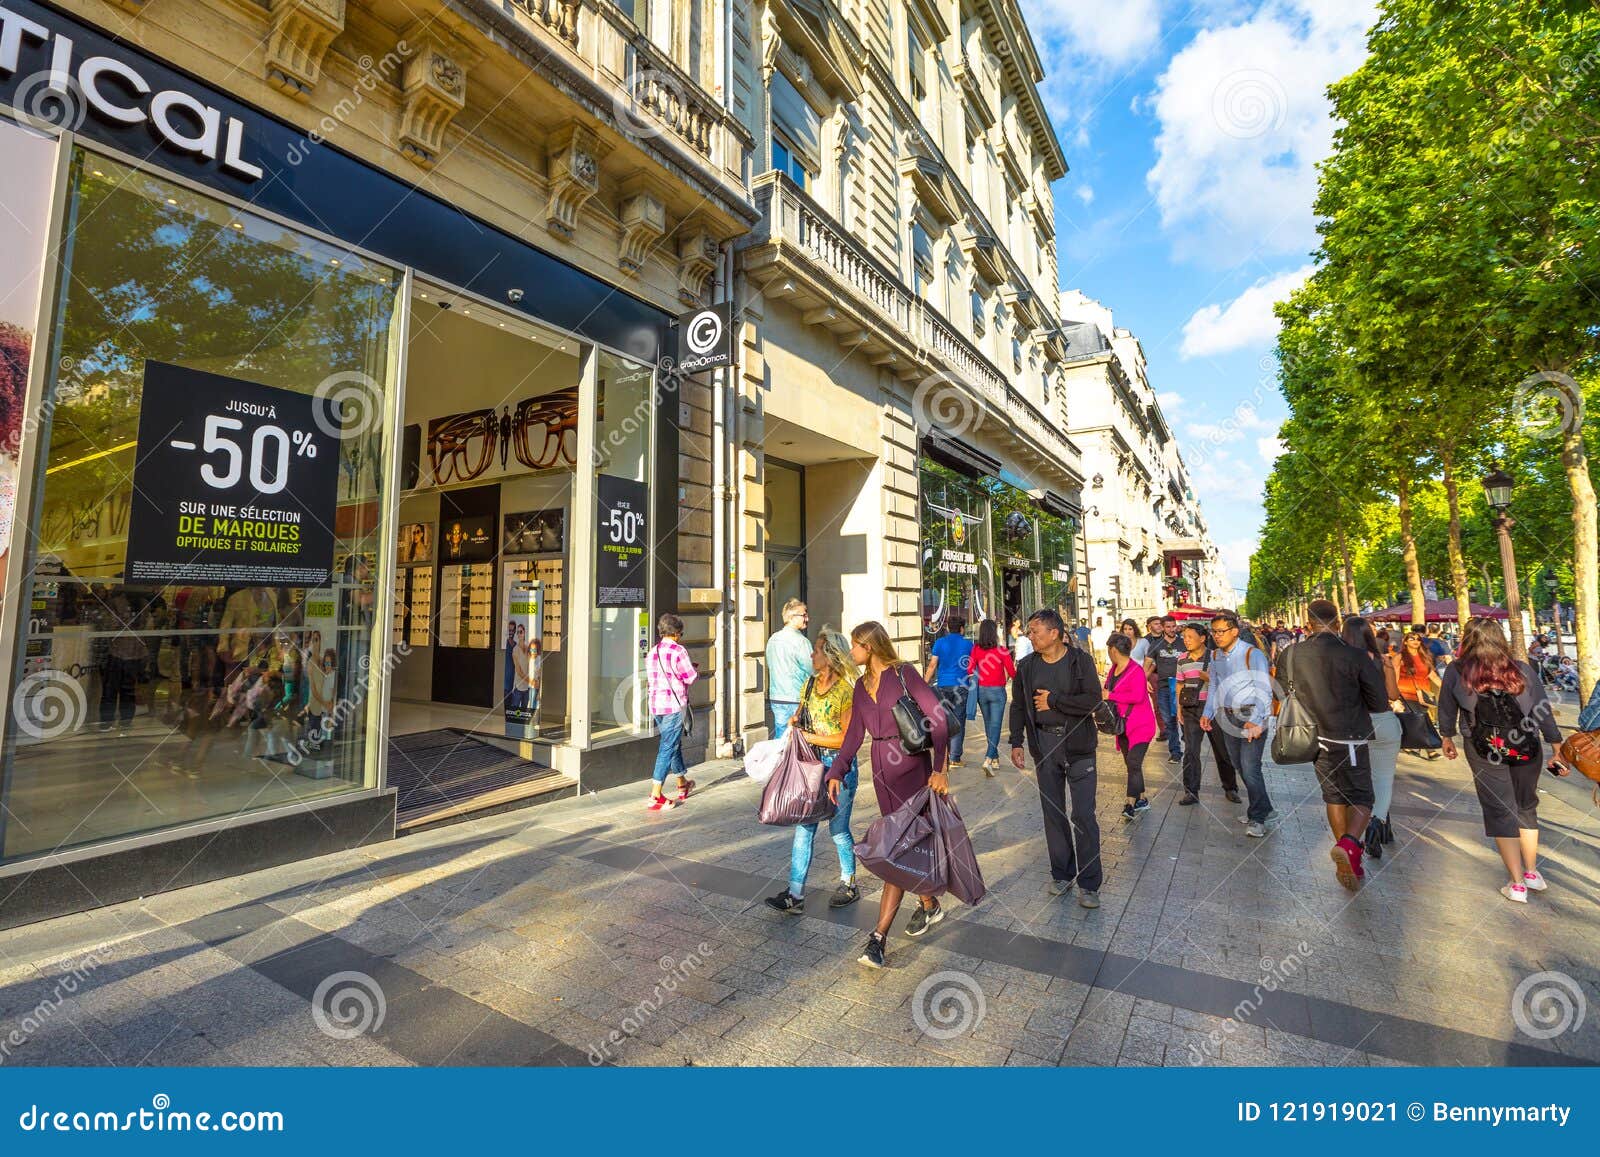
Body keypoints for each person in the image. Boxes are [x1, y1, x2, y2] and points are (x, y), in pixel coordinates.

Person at [827, 622, 949, 967]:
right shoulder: (861, 687)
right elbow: (853, 735)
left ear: (870, 646)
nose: (851, 652)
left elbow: (937, 720)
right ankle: (929, 904)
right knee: (902, 846)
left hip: (913, 768)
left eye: (855, 645)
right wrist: (837, 770)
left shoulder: (904, 674)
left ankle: (877, 939)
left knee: (895, 851)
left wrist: (941, 768)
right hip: (882, 772)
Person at [1437, 617, 1569, 903]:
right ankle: (1532, 872)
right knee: (1526, 806)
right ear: (1500, 638)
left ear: (1467, 639)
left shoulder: (1457, 671)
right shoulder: (1522, 669)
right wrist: (1557, 747)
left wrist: (1446, 737)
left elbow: (1446, 707)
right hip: (1526, 747)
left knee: (1500, 810)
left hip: (1483, 749)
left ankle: (1517, 883)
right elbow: (1543, 709)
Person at [1278, 601, 1388, 889]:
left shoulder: (1290, 654)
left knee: (1334, 796)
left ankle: (1348, 862)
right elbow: (1379, 701)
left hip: (1313, 736)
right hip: (1348, 734)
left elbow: (1283, 692)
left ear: (1307, 621)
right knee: (1363, 797)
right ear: (1337, 621)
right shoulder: (1354, 655)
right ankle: (1350, 845)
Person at [1009, 608, 1104, 908]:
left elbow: (1093, 700)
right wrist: (1016, 741)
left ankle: (1089, 884)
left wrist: (1054, 700)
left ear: (1055, 633)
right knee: (1053, 812)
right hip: (1044, 743)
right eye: (1029, 631)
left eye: (1035, 631)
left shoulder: (1080, 661)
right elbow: (1018, 706)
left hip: (1078, 746)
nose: (1030, 636)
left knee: (1083, 815)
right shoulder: (1026, 666)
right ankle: (1061, 873)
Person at [765, 628, 862, 913]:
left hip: (839, 768)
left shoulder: (847, 690)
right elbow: (803, 715)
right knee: (804, 827)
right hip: (811, 767)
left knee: (838, 829)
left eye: (817, 650)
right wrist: (796, 721)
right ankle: (794, 894)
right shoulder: (808, 685)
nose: (812, 654)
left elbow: (847, 739)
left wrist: (809, 738)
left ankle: (849, 882)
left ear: (830, 656)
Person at [1201, 611, 1274, 837]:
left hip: (1251, 715)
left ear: (1234, 631)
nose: (1217, 636)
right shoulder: (1215, 656)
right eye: (1214, 632)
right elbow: (1214, 685)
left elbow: (1264, 688)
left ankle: (1258, 818)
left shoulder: (1252, 654)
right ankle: (1263, 808)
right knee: (1239, 765)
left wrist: (1256, 721)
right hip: (1227, 716)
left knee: (1250, 767)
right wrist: (1208, 712)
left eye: (1221, 631)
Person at [1343, 615, 1405, 861]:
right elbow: (1392, 694)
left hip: (1355, 726)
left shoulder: (1342, 660)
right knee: (1383, 779)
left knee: (1360, 782)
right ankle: (1376, 827)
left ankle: (1356, 831)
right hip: (1384, 722)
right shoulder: (1381, 659)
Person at [1174, 622, 1240, 804]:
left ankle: (1230, 788)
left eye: (1190, 637)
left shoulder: (1216, 657)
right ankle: (1191, 791)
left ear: (1202, 638)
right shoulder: (1182, 659)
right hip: (1190, 710)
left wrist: (1209, 678)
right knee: (1190, 751)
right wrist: (1179, 708)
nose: (1186, 640)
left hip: (1214, 709)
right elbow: (1180, 684)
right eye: (1184, 637)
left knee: (1222, 751)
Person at [645, 613, 698, 810]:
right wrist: (694, 670)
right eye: (681, 634)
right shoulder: (678, 651)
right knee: (667, 746)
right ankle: (655, 795)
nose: (680, 637)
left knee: (673, 744)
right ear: (675, 634)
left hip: (656, 706)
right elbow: (690, 677)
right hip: (674, 706)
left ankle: (682, 784)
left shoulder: (653, 652)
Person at [1104, 633, 1156, 821]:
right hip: (1123, 725)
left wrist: (1110, 696)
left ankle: (1130, 804)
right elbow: (1107, 688)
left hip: (1141, 725)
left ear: (1113, 650)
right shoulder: (1114, 669)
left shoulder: (1136, 670)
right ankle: (1142, 799)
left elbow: (1138, 696)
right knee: (1131, 764)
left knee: (1133, 763)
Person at [925, 615, 974, 767]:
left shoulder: (940, 642)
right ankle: (955, 758)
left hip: (942, 686)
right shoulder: (968, 644)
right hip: (961, 686)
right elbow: (972, 667)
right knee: (959, 722)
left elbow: (932, 665)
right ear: (961, 628)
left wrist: (924, 683)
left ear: (947, 628)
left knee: (943, 722)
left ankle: (943, 756)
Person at [969, 618, 1015, 776]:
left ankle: (995, 759)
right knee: (995, 725)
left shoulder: (976, 649)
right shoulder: (1002, 650)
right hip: (997, 691)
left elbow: (969, 670)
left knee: (990, 725)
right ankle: (988, 758)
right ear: (995, 633)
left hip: (981, 691)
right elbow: (1012, 671)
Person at [765, 598, 812, 740]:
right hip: (796, 698)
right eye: (804, 615)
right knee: (798, 740)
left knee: (781, 737)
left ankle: (780, 762)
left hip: (777, 697)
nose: (807, 618)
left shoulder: (773, 639)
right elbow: (812, 669)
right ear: (792, 617)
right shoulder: (801, 641)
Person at [1396, 632, 1442, 759]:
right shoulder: (1400, 657)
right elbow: (1394, 675)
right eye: (1412, 639)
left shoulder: (1424, 656)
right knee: (1421, 720)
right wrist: (1393, 696)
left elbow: (1432, 675)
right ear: (1405, 642)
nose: (1415, 641)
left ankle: (1408, 745)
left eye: (1418, 639)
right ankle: (1430, 751)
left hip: (1424, 695)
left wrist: (1445, 689)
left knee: (1417, 721)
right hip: (1406, 693)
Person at [1149, 615, 1185, 762]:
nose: (1171, 629)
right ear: (1163, 627)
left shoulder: (1183, 643)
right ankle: (1175, 752)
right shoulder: (1156, 645)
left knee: (1183, 719)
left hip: (1183, 687)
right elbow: (1148, 663)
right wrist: (1145, 679)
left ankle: (1189, 749)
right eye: (1168, 627)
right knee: (1169, 721)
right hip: (1163, 687)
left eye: (1173, 626)